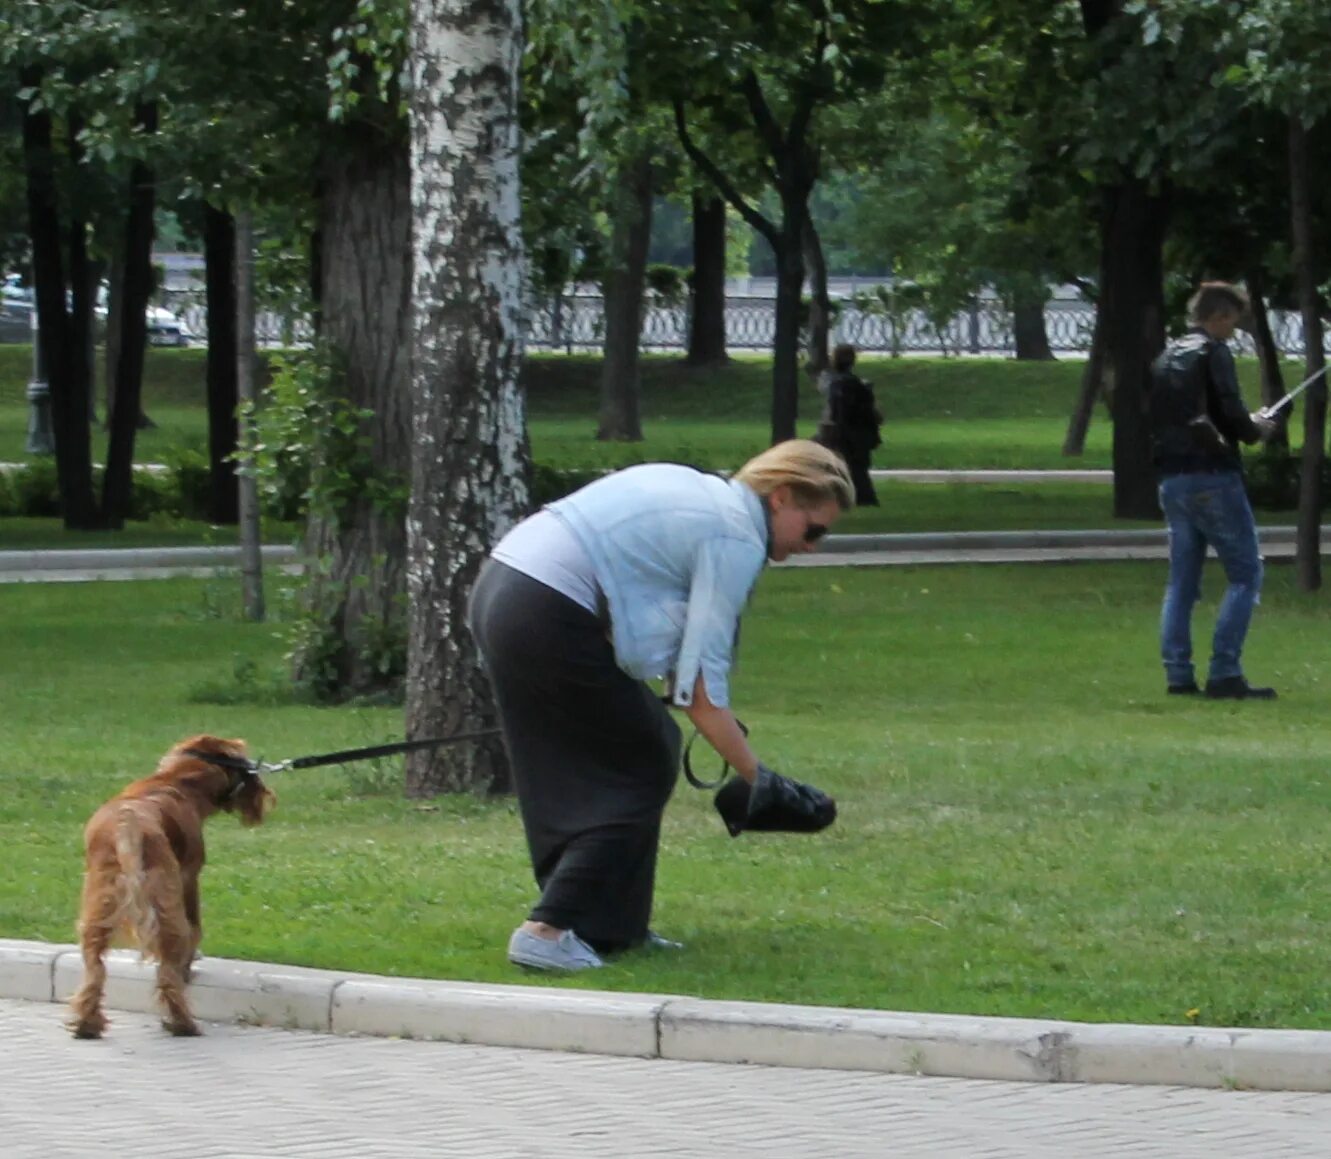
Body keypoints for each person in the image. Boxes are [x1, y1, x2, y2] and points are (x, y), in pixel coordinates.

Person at [468, 440, 853, 972]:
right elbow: (701, 688)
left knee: (610, 753)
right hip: (543, 606)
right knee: (645, 760)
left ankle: (612, 930)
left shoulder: (708, 498)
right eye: (814, 531)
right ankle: (546, 931)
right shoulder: (735, 535)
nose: (811, 547)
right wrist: (762, 781)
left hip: (503, 587)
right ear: (782, 497)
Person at [1149, 281, 1279, 700]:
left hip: (1172, 477)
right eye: (1233, 322)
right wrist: (1255, 428)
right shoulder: (1213, 352)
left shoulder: (1168, 355)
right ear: (1219, 316)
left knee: (1182, 581)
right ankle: (1225, 671)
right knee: (1246, 574)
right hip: (1213, 474)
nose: (1233, 331)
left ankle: (1178, 674)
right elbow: (1229, 409)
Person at [815, 343, 882, 506]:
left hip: (840, 433)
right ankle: (862, 499)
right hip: (857, 433)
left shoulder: (835, 384)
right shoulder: (857, 385)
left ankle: (854, 498)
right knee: (858, 470)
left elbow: (835, 412)